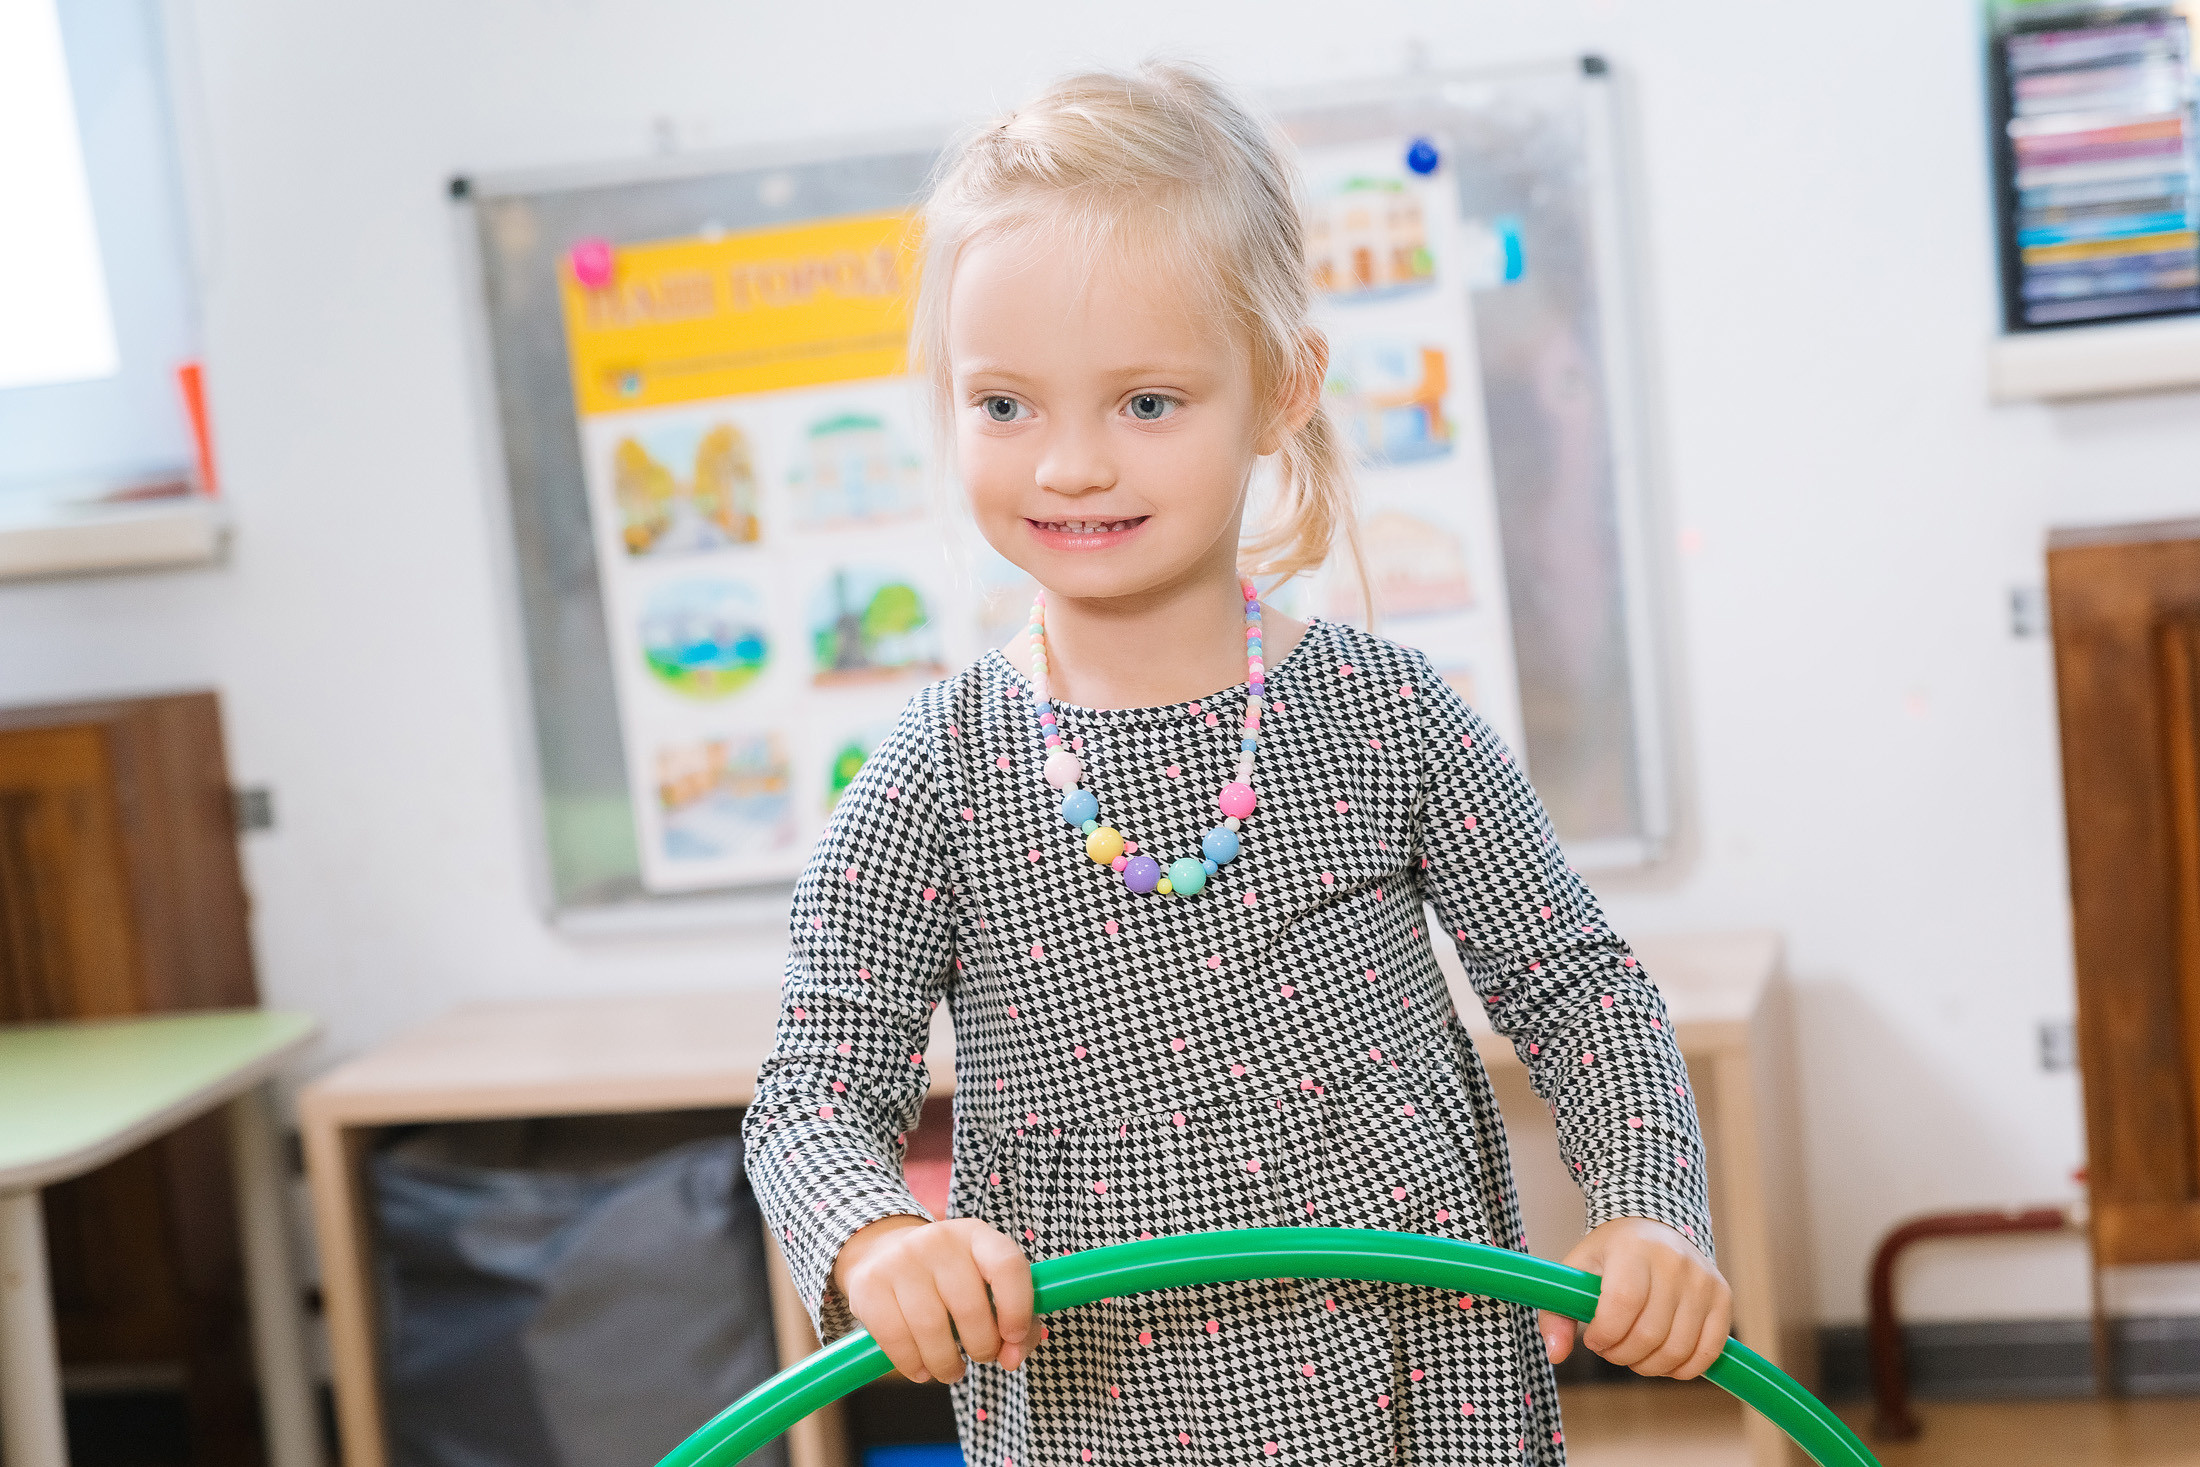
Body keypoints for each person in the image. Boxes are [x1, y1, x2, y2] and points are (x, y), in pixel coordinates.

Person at [744, 60, 1728, 1465]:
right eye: (1005, 405)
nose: (1071, 464)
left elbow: (1583, 995)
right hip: (1102, 1414)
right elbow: (813, 1096)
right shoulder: (933, 774)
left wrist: (1646, 1204)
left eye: (1146, 403)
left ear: (1280, 389)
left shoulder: (1393, 719)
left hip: (1422, 1394)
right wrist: (877, 1231)